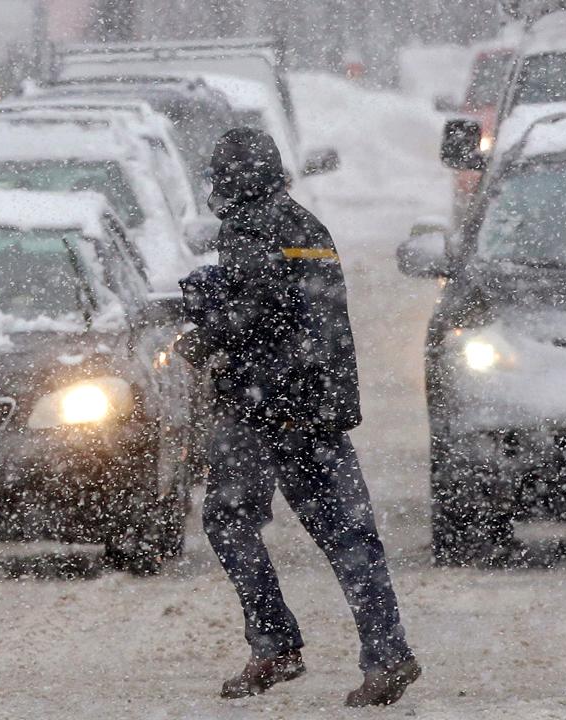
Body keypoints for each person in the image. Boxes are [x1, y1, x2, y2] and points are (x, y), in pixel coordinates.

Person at [177, 128, 420, 707]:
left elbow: (255, 315)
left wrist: (203, 324)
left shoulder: (250, 229)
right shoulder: (303, 225)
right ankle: (383, 653)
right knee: (347, 535)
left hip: (270, 408)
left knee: (232, 520)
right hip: (312, 406)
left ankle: (278, 646)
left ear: (228, 180)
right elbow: (303, 311)